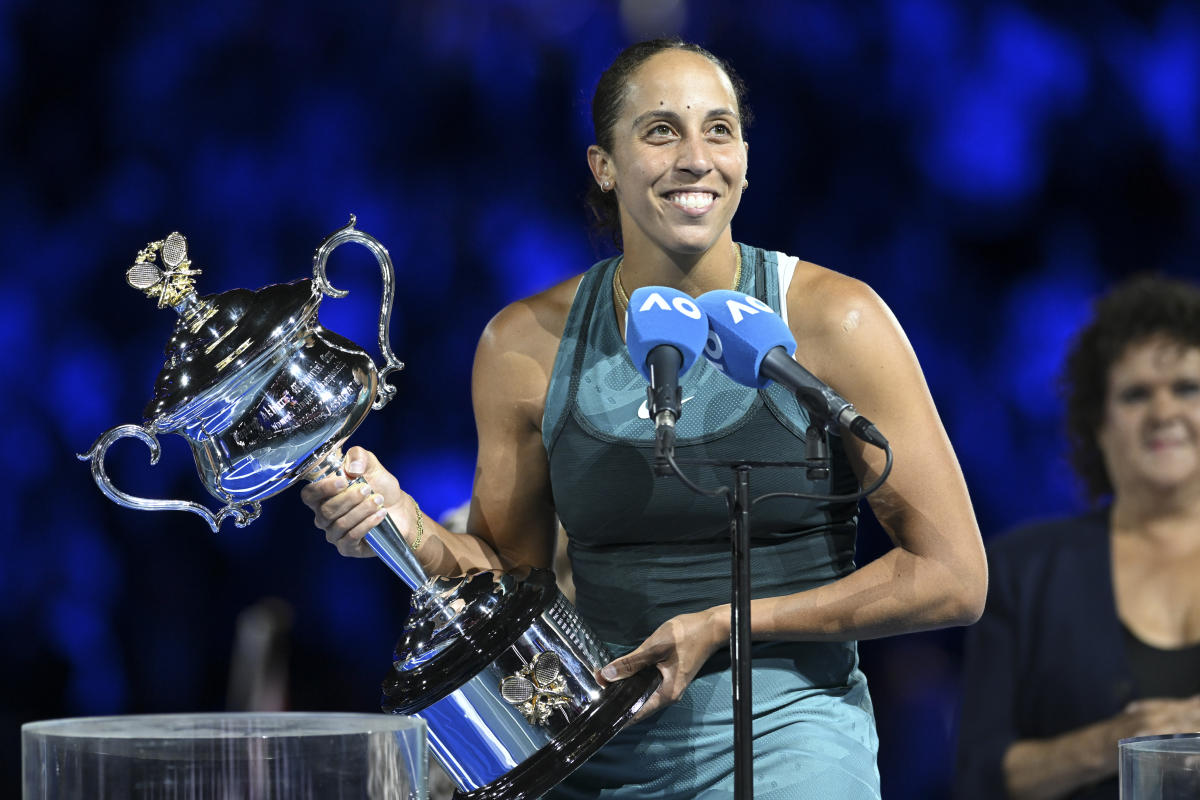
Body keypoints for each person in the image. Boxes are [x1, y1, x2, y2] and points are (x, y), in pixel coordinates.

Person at [303, 38, 986, 798]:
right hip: (595, 738)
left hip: (792, 732)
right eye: (661, 130)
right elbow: (511, 582)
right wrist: (407, 526)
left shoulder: (836, 320)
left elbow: (954, 575)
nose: (696, 157)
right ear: (604, 164)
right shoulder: (523, 344)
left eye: (719, 130)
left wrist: (730, 622)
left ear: (746, 161)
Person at [954, 275, 1200, 800]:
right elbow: (979, 774)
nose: (1163, 413)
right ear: (1098, 426)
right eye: (1135, 395)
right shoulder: (1022, 570)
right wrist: (1118, 739)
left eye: (1186, 388)